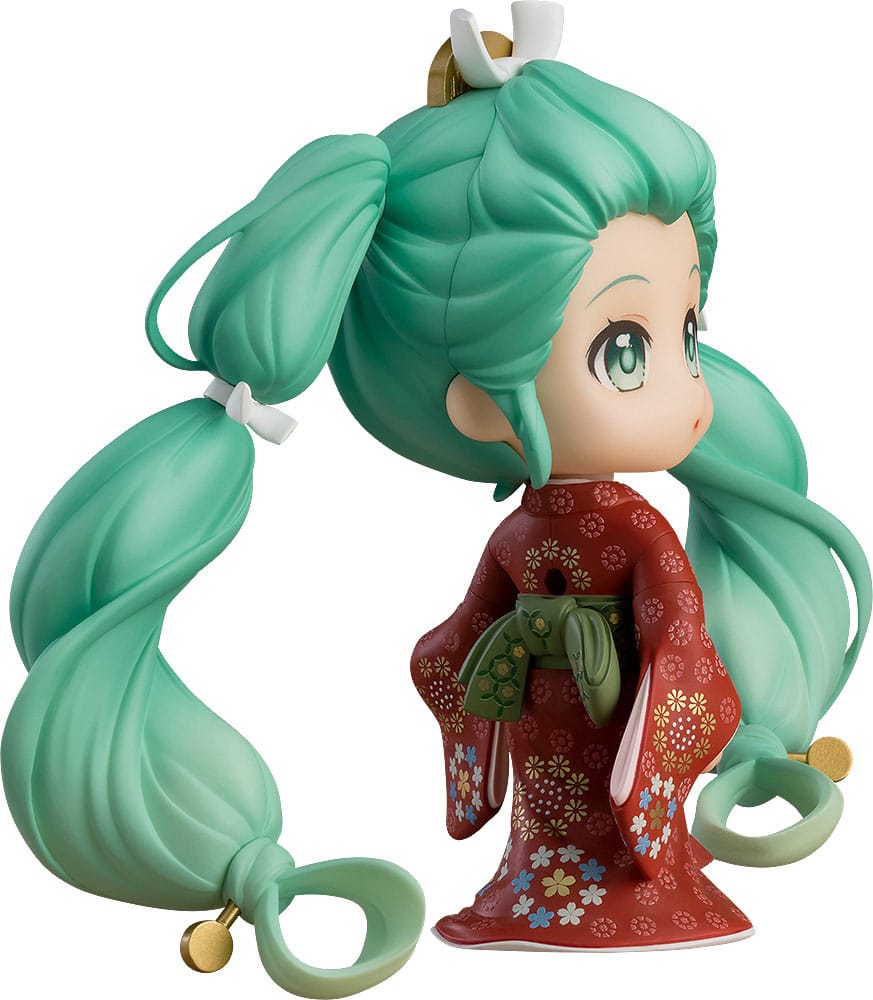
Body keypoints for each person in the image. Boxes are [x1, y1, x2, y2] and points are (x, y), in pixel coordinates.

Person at [3, 0, 869, 988]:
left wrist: (678, 703)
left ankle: (630, 871)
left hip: (612, 719)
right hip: (553, 722)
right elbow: (466, 636)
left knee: (601, 789)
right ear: (478, 403)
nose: (690, 391)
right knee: (555, 807)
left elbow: (677, 632)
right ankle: (548, 878)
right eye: (626, 350)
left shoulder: (628, 528)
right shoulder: (532, 534)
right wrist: (475, 668)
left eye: (689, 333)